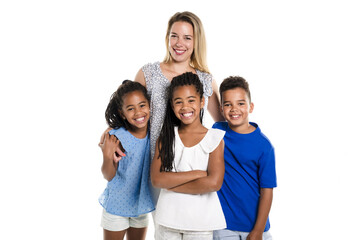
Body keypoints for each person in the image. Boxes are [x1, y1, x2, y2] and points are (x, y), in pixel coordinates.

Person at [151, 72, 226, 240]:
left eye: (191, 100)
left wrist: (170, 184)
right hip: (167, 220)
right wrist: (197, 174)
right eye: (179, 101)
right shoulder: (166, 138)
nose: (185, 107)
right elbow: (157, 180)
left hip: (201, 223)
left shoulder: (215, 138)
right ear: (172, 105)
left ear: (201, 102)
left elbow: (214, 183)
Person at [212, 76, 277, 240]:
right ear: (221, 109)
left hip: (256, 226)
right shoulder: (217, 131)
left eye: (241, 103)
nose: (234, 109)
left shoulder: (264, 146)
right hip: (223, 226)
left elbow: (267, 191)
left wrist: (258, 230)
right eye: (228, 104)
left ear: (251, 107)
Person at [99, 80, 155, 240]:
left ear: (149, 105)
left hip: (141, 204)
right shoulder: (117, 137)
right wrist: (107, 155)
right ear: (122, 113)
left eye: (142, 105)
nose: (138, 113)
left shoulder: (155, 133)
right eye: (130, 109)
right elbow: (108, 175)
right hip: (117, 205)